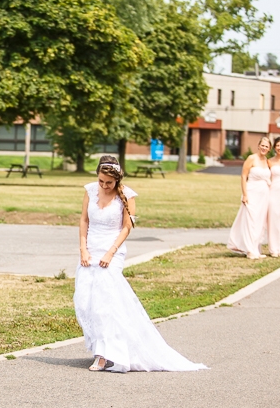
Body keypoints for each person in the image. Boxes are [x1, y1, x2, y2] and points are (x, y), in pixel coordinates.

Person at [73, 155, 208, 373]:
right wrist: (83, 249)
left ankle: (105, 354)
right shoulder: (90, 191)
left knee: (103, 303)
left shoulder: (127, 195)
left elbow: (126, 228)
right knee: (86, 301)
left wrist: (110, 253)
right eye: (101, 181)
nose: (104, 186)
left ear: (117, 180)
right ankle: (99, 346)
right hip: (90, 250)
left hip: (112, 251)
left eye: (109, 183)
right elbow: (84, 220)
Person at [227, 136, 272, 259]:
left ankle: (256, 248)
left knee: (260, 221)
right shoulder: (251, 158)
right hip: (252, 192)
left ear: (269, 149)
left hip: (264, 195)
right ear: (258, 146)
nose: (264, 148)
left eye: (266, 146)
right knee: (250, 220)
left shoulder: (267, 161)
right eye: (262, 145)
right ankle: (249, 250)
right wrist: (245, 194)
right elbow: (243, 176)